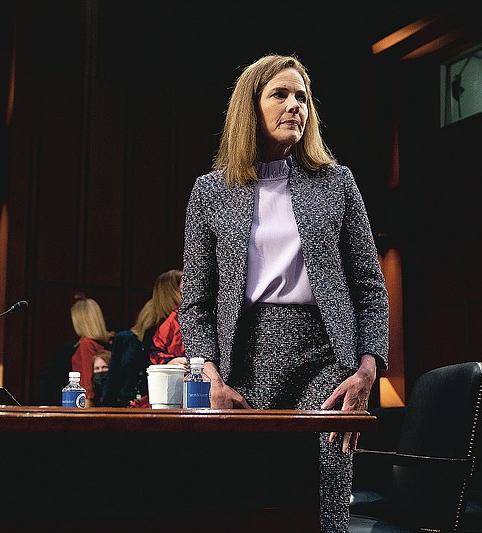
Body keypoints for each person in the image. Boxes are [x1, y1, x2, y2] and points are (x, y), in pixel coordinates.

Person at [178, 54, 389, 532]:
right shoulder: (210, 191)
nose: (295, 105)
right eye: (280, 94)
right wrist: (211, 377)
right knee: (249, 504)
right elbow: (195, 305)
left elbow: (370, 287)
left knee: (324, 502)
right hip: (244, 362)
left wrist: (368, 368)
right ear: (249, 108)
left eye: (303, 98)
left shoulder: (338, 182)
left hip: (326, 358)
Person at [102, 270, 183, 406]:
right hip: (142, 403)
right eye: (183, 290)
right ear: (173, 292)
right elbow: (115, 379)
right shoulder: (153, 331)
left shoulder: (179, 324)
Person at [70, 297, 112, 407]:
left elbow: (88, 382)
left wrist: (86, 409)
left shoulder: (87, 344)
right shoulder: (100, 344)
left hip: (87, 402)